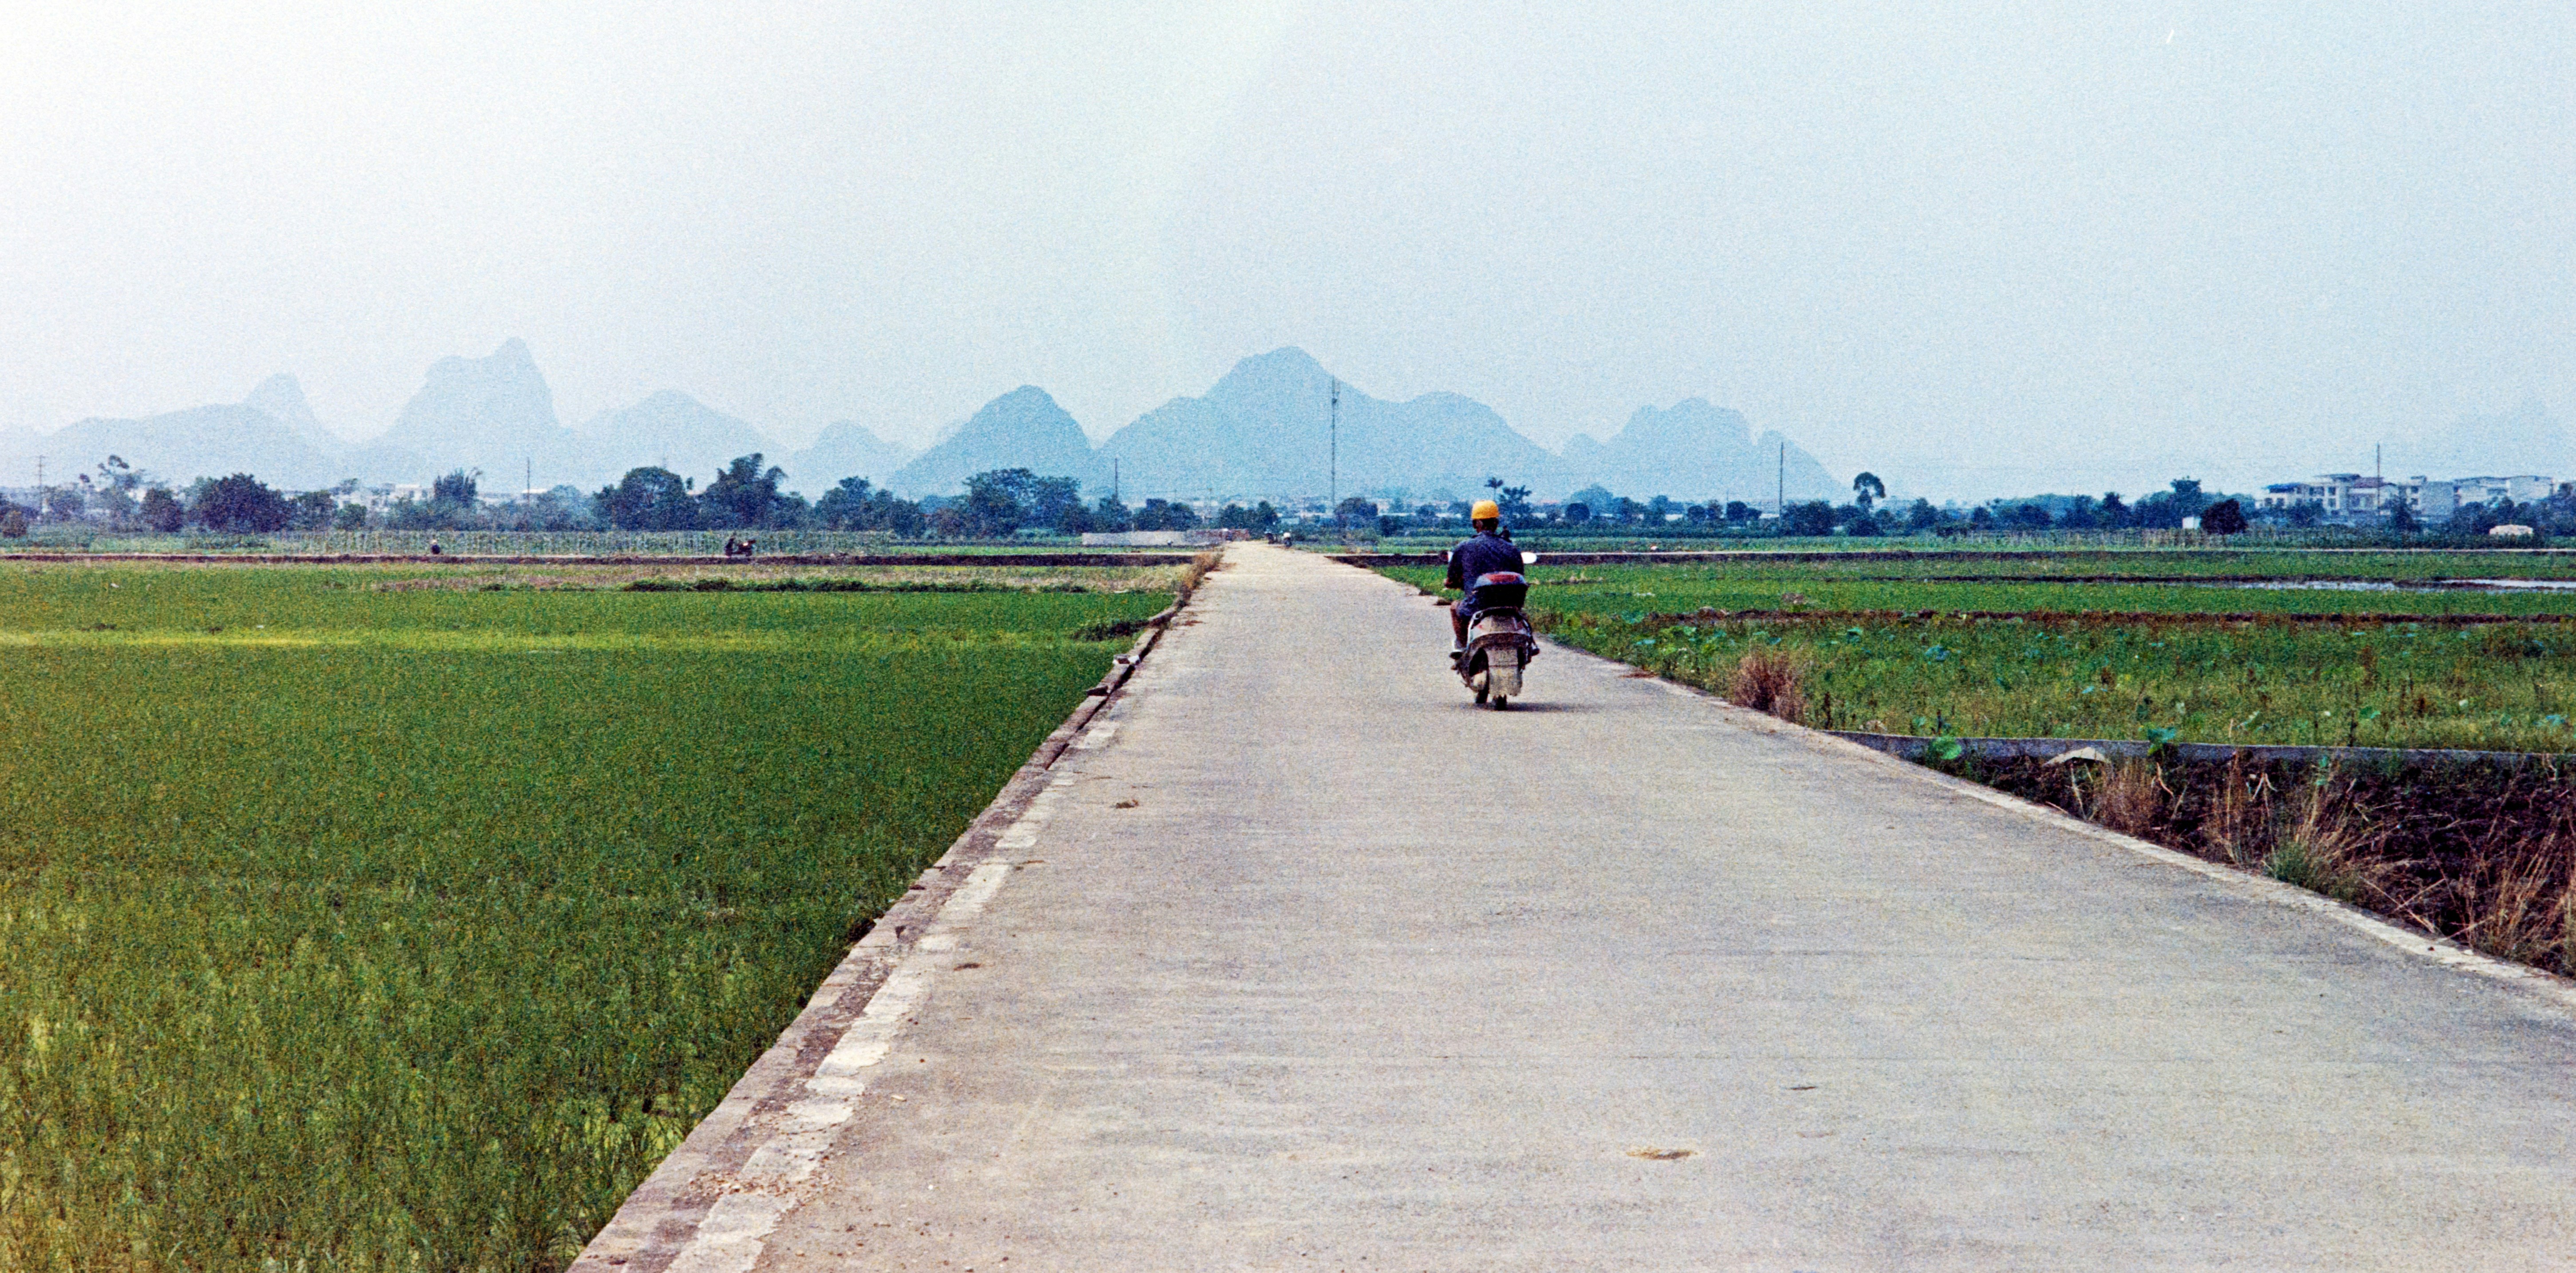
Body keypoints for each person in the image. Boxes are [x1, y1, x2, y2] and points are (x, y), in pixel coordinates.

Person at [1445, 499, 1521, 660]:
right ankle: (1528, 648)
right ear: (1496, 523)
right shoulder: (1512, 548)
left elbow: (1451, 579)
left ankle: (1465, 650)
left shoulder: (1464, 547)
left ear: (1475, 524)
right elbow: (1520, 576)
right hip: (1510, 603)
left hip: (1479, 604)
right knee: (1523, 619)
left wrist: (1452, 584)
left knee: (1454, 608)